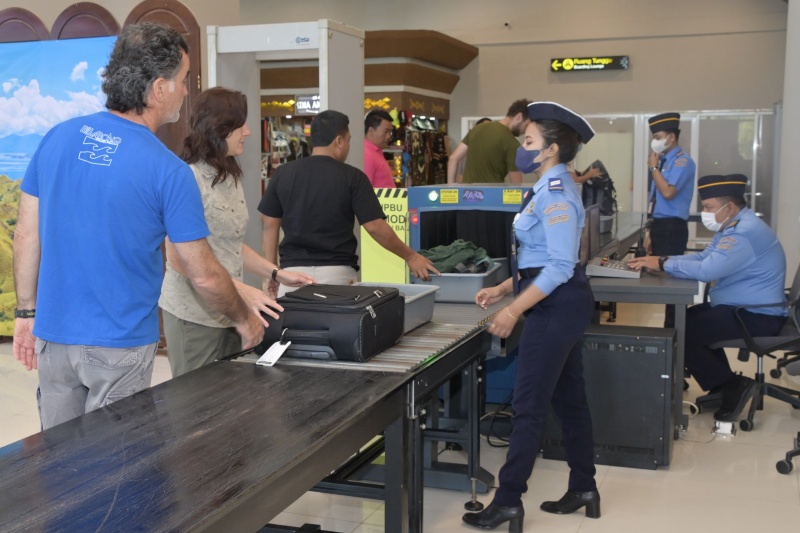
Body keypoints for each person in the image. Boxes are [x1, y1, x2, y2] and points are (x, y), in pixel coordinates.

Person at [11, 23, 264, 430]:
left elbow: (26, 234)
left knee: (60, 467)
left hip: (53, 339)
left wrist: (26, 312)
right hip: (118, 346)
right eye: (183, 81)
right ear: (158, 88)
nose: (186, 91)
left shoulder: (57, 138)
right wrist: (244, 318)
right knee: (114, 472)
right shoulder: (167, 170)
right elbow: (202, 273)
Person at [463, 102, 600, 532]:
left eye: (528, 142)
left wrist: (513, 310)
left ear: (551, 150)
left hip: (555, 306)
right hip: (555, 300)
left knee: (528, 406)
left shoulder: (558, 194)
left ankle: (507, 501)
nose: (521, 148)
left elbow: (560, 266)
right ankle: (584, 487)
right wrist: (506, 288)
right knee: (568, 399)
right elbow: (538, 257)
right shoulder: (545, 188)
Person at [159, 87, 315, 378]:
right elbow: (179, 258)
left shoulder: (228, 174)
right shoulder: (187, 178)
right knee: (197, 406)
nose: (248, 132)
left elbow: (230, 245)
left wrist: (275, 273)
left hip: (229, 310)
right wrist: (243, 292)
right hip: (194, 315)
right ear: (218, 129)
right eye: (240, 125)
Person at [628, 174, 787, 422]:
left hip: (757, 316)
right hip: (743, 309)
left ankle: (733, 385)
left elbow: (708, 271)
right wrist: (663, 263)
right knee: (686, 321)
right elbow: (704, 258)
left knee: (684, 329)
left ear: (729, 207)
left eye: (708, 207)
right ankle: (723, 386)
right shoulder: (733, 226)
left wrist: (662, 262)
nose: (705, 212)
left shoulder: (742, 233)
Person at [259, 110, 439, 296]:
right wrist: (410, 256)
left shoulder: (283, 173)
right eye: (349, 140)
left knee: (294, 326)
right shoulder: (353, 177)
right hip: (337, 276)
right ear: (339, 141)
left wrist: (273, 273)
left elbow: (269, 223)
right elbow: (375, 227)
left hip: (291, 276)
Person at [645, 112, 696, 328]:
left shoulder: (683, 162)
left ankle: (676, 333)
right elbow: (655, 201)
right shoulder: (664, 161)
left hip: (672, 228)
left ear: (671, 137)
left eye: (658, 136)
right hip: (659, 225)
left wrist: (653, 168)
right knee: (663, 282)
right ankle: (669, 332)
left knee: (672, 283)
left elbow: (667, 193)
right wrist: (649, 230)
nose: (655, 141)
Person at [447, 99, 531, 184]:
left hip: (467, 194)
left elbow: (453, 158)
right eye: (526, 125)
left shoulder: (477, 129)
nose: (525, 131)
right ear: (519, 117)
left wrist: (450, 190)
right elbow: (516, 185)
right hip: (492, 195)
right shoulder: (512, 144)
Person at [363, 109, 396, 188]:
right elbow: (366, 189)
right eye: (386, 132)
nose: (388, 136)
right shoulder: (367, 154)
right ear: (371, 131)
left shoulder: (376, 151)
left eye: (390, 132)